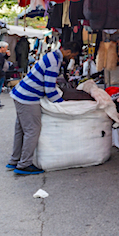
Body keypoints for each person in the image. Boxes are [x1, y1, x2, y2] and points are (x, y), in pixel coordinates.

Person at [7, 41, 82, 175]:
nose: (71, 59)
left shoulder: (51, 56)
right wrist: (62, 104)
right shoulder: (54, 61)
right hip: (28, 98)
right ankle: (24, 165)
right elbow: (49, 88)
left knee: (21, 129)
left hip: (20, 93)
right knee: (32, 130)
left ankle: (15, 160)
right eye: (72, 56)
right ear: (69, 52)